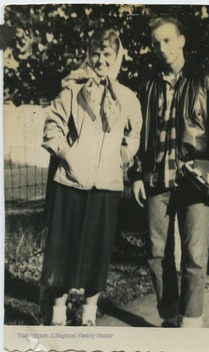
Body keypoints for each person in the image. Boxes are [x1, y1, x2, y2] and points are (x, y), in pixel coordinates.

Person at [129, 16, 209, 328]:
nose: (162, 48)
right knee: (155, 253)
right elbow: (136, 136)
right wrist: (136, 175)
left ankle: (190, 323)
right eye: (156, 42)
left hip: (195, 179)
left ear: (181, 41)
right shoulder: (147, 85)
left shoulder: (206, 80)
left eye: (168, 40)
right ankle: (168, 316)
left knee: (194, 255)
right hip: (155, 180)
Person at [40, 28, 142, 326]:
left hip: (106, 185)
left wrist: (123, 156)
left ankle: (88, 315)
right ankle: (58, 315)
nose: (100, 60)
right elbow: (51, 129)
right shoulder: (72, 90)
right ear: (88, 53)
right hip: (71, 181)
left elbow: (134, 134)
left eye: (107, 54)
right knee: (63, 247)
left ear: (117, 57)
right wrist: (69, 155)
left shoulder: (127, 97)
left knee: (97, 250)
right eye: (95, 53)